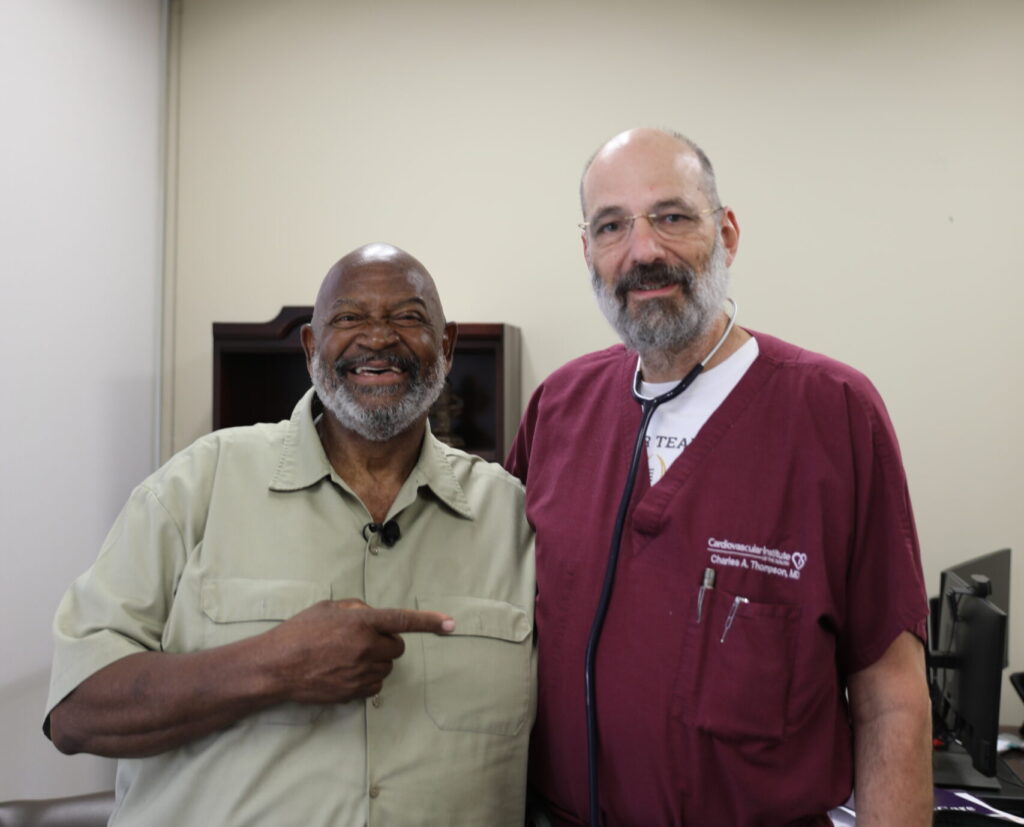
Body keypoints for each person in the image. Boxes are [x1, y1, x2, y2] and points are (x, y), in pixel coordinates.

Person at [506, 129, 931, 826]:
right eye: (612, 226)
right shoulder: (559, 408)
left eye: (672, 217)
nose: (643, 251)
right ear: (588, 251)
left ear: (727, 233)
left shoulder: (835, 413)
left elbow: (891, 693)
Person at [45, 243, 536, 826]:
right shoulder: (198, 485)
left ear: (447, 346)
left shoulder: (515, 519)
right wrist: (273, 666)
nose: (377, 339)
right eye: (348, 318)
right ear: (310, 348)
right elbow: (75, 711)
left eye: (407, 317)